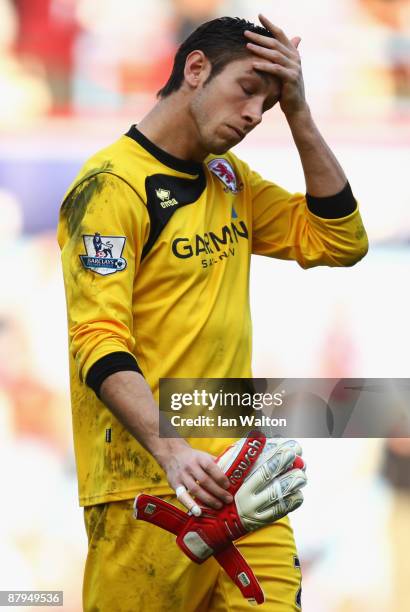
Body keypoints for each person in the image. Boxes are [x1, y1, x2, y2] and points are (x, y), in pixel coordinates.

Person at [57, 14, 368, 611]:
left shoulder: (230, 179)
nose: (256, 115)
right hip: (149, 484)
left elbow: (339, 241)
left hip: (244, 476)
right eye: (249, 89)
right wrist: (170, 449)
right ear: (195, 69)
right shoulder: (109, 187)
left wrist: (299, 111)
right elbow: (96, 339)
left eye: (269, 103)